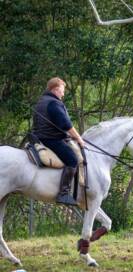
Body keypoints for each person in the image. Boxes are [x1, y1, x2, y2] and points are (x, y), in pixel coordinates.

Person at [33, 77, 85, 206]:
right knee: (72, 160)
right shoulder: (53, 103)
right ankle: (63, 194)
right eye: (62, 90)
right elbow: (66, 124)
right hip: (52, 139)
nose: (63, 93)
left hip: (39, 137)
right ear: (55, 89)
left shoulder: (41, 101)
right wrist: (79, 138)